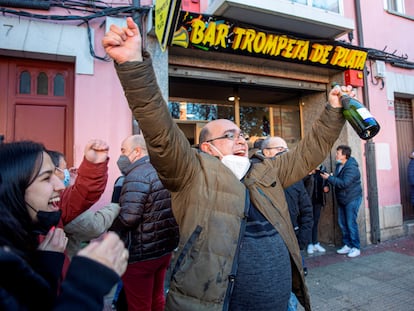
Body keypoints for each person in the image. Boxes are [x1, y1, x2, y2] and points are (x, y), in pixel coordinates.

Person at [102, 17, 351, 311]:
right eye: (229, 135)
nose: (241, 139)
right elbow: (160, 130)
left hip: (285, 303)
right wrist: (133, 64)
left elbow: (309, 152)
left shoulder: (265, 170)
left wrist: (333, 111)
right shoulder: (193, 173)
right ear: (208, 147)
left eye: (242, 133)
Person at [0, 140, 129, 310]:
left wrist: (93, 167)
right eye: (47, 178)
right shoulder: (6, 259)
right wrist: (88, 284)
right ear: (14, 187)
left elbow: (78, 196)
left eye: (57, 173)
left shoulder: (39, 218)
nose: (61, 185)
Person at [109, 134, 179, 311]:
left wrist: (110, 224)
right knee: (157, 298)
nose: (121, 156)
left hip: (141, 253)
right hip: (163, 250)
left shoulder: (136, 174)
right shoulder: (165, 170)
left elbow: (128, 218)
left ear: (137, 151)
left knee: (139, 305)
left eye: (124, 151)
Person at [48, 149, 121, 258]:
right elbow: (94, 226)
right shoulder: (54, 201)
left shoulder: (58, 196)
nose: (67, 172)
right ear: (54, 171)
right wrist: (115, 205)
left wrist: (73, 185)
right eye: (64, 169)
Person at [261, 137, 314, 272]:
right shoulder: (255, 179)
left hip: (293, 239)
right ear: (265, 152)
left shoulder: (295, 178)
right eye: (279, 149)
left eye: (286, 150)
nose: (284, 153)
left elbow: (306, 210)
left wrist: (302, 239)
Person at [47, 140, 110, 226]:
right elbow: (94, 226)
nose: (60, 186)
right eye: (44, 178)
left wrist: (94, 166)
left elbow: (83, 193)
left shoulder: (55, 203)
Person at [321, 145, 362, 258]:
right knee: (343, 223)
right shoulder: (340, 165)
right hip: (343, 199)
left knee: (350, 223)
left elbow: (344, 183)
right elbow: (337, 179)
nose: (336, 155)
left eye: (338, 153)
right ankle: (348, 245)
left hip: (352, 198)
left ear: (344, 155)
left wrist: (329, 178)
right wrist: (329, 179)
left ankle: (356, 247)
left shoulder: (352, 167)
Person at [303, 165, 330, 255]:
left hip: (318, 200)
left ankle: (315, 242)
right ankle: (309, 243)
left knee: (315, 221)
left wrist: (326, 188)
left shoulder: (322, 171)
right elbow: (303, 184)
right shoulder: (306, 170)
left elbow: (325, 184)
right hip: (308, 201)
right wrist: (310, 173)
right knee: (309, 222)